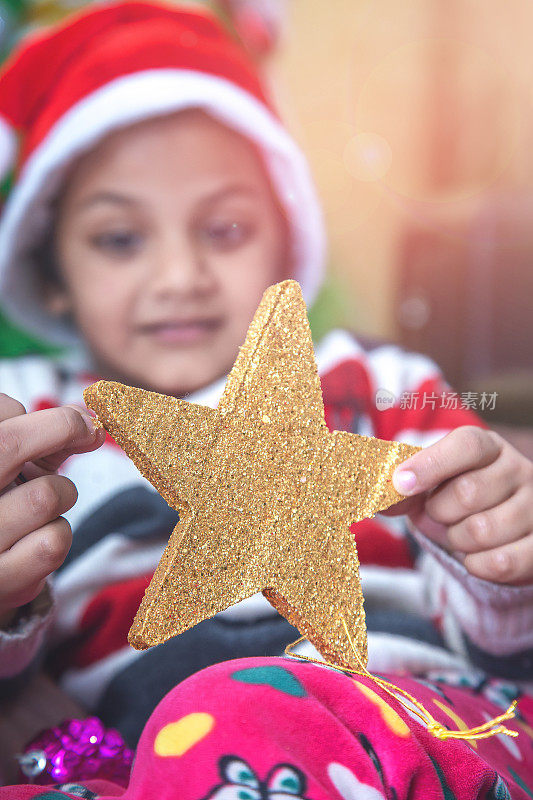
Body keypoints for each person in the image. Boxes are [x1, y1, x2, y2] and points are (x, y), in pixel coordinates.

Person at [0, 0, 532, 762]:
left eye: (224, 230)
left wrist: (503, 564)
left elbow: (503, 636)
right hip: (132, 754)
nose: (179, 277)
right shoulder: (28, 420)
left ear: (286, 238)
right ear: (51, 272)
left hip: (410, 716)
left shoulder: (382, 384)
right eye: (119, 239)